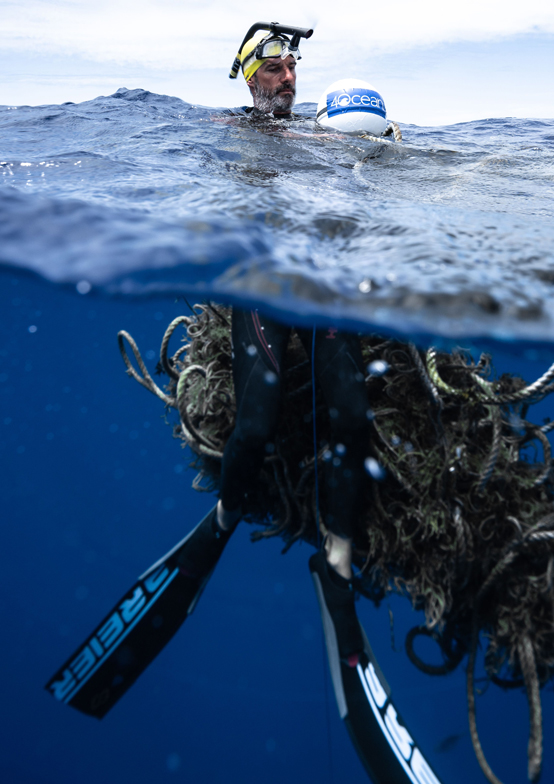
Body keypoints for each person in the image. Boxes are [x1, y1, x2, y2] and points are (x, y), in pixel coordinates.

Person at [212, 23, 372, 660]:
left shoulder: (323, 130)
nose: (288, 78)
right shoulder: (227, 126)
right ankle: (223, 517)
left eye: (293, 67)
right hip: (261, 279)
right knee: (253, 425)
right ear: (251, 76)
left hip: (321, 277)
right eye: (275, 68)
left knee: (353, 416)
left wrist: (383, 144)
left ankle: (338, 559)